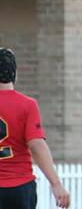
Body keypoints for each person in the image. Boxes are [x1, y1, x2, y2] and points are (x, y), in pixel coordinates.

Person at [0, 48, 71, 209]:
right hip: (19, 187)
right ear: (14, 74)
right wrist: (56, 184)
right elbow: (37, 146)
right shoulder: (27, 105)